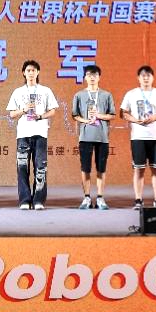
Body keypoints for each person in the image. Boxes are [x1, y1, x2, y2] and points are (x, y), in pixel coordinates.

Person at [6, 60, 59, 210]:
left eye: (33, 70)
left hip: (40, 132)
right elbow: (11, 114)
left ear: (38, 72)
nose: (31, 73)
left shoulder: (45, 90)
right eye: (28, 70)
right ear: (23, 73)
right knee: (22, 167)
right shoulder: (18, 92)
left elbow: (53, 110)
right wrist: (23, 109)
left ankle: (38, 200)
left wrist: (40, 116)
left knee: (40, 167)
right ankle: (24, 199)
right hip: (23, 133)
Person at [120, 65, 156, 209]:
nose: (146, 78)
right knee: (139, 169)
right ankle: (138, 200)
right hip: (138, 137)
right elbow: (123, 113)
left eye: (148, 75)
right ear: (138, 78)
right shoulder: (131, 94)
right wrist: (135, 120)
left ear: (153, 78)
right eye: (143, 75)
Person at [71, 64, 115, 210]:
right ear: (85, 77)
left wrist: (98, 115)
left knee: (101, 168)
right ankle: (87, 197)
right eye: (89, 75)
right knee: (85, 168)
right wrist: (85, 120)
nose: (92, 77)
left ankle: (100, 197)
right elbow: (75, 115)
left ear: (99, 77)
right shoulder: (79, 95)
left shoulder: (106, 95)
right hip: (85, 137)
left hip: (102, 137)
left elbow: (112, 115)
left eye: (95, 75)